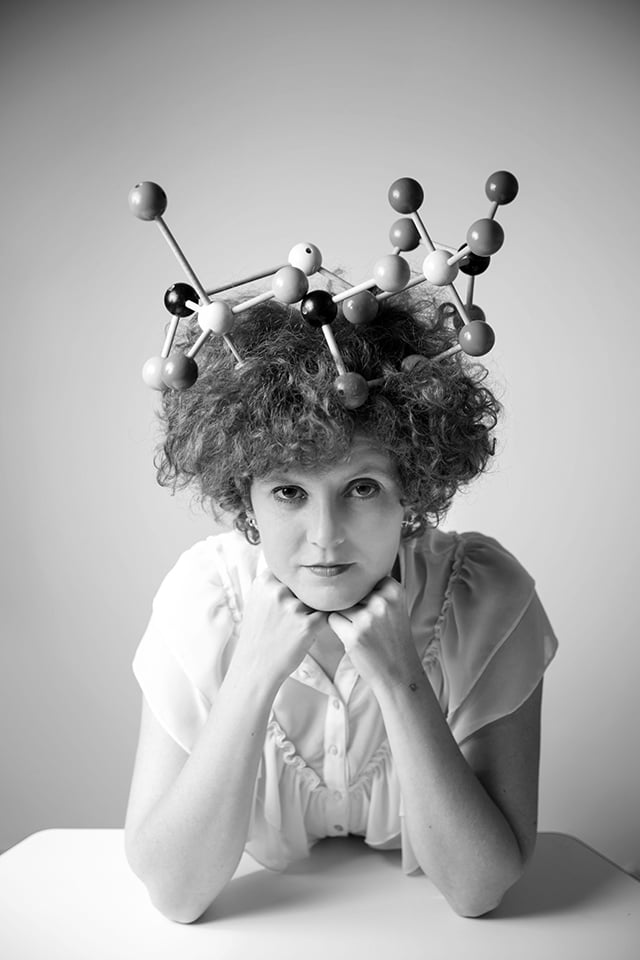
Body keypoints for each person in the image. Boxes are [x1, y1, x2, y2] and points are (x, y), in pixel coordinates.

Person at [124, 290, 558, 924]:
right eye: (288, 491)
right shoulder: (202, 599)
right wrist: (252, 673)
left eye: (361, 487)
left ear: (413, 486)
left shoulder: (485, 596)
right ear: (245, 496)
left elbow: (479, 889)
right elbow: (175, 893)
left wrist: (401, 679)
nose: (325, 537)